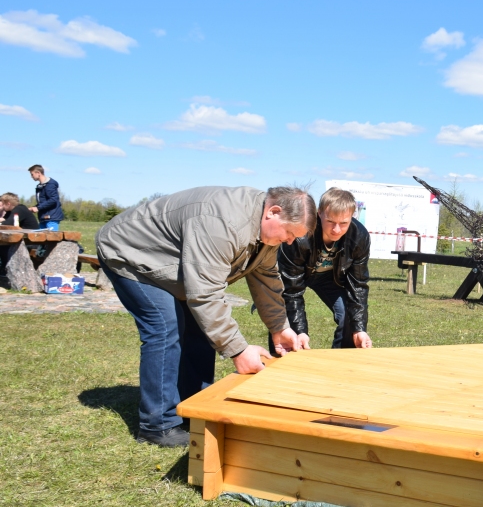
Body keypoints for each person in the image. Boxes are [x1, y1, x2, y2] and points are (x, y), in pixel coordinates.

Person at [96, 186, 316, 447]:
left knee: (201, 331)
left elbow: (266, 278)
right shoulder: (221, 222)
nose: (290, 241)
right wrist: (238, 351)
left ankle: (194, 407)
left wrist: (279, 328)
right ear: (274, 212)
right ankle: (158, 425)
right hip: (131, 254)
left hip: (172, 264)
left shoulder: (264, 230)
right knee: (165, 327)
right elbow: (205, 294)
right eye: (290, 234)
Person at [278, 187, 372, 349]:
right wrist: (300, 330)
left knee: (349, 318)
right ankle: (282, 363)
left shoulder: (359, 236)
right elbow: (290, 290)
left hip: (329, 278)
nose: (336, 230)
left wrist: (359, 329)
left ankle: (340, 364)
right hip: (295, 276)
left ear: (352, 216)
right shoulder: (299, 236)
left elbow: (358, 285)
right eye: (330, 222)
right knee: (285, 321)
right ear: (319, 213)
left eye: (343, 223)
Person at [1, 192, 41, 276]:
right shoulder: (11, 211)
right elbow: (4, 221)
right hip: (24, 240)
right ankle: (5, 269)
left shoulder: (20, 209)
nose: (2, 207)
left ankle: (6, 270)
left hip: (32, 242)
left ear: (8, 203)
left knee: (3, 246)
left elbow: (8, 223)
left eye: (2, 204)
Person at [28, 165, 64, 230]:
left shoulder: (50, 184)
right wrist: (34, 208)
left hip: (51, 217)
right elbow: (43, 202)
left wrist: (38, 208)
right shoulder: (40, 186)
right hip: (43, 217)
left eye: (32, 174)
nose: (31, 177)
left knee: (51, 238)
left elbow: (53, 199)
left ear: (38, 173)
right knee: (39, 238)